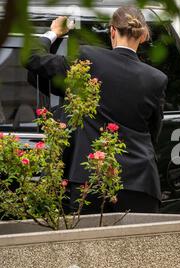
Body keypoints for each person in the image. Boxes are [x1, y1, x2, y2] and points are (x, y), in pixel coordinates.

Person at [25, 6, 168, 213]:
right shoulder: (157, 79)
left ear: (112, 31)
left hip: (90, 180)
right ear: (143, 35)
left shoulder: (88, 59)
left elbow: (32, 57)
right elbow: (154, 131)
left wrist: (54, 32)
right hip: (140, 183)